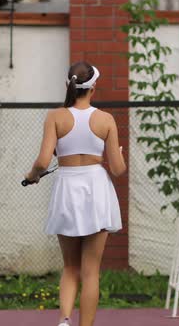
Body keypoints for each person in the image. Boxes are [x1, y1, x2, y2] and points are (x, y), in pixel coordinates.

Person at [25, 61, 126, 326]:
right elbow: (117, 169)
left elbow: (43, 161)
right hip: (96, 190)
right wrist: (120, 154)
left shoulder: (55, 117)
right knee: (91, 272)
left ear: (68, 85)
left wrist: (31, 176)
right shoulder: (106, 120)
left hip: (67, 189)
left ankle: (65, 319)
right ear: (93, 87)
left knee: (70, 267)